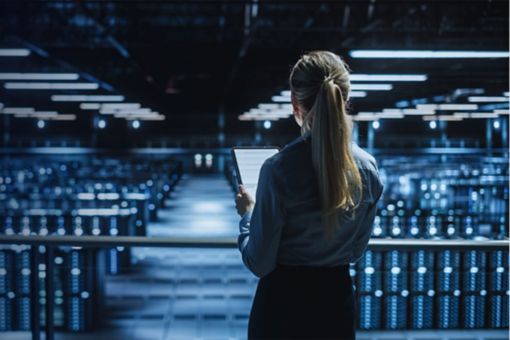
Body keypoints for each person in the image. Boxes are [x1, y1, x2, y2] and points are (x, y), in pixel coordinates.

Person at [234, 50, 384, 340]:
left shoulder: (279, 169)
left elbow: (259, 262)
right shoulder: (367, 168)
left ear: (295, 102)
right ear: (345, 98)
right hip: (335, 307)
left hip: (283, 310)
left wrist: (248, 216)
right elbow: (354, 251)